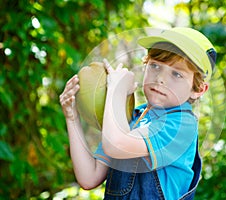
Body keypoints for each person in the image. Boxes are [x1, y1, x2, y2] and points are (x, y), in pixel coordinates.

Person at [59, 27, 217, 199]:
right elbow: (89, 178)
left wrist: (116, 90)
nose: (160, 78)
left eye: (177, 74)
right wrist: (71, 116)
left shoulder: (181, 125)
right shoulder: (132, 115)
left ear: (198, 89)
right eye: (155, 66)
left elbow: (116, 145)